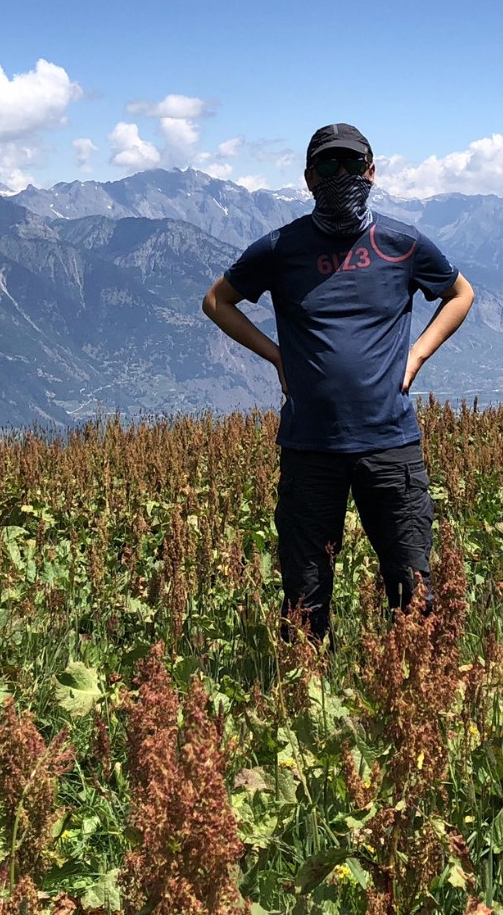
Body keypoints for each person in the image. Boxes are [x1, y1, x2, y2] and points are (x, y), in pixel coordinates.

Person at [201, 122, 475, 642]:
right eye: (329, 166)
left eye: (352, 164)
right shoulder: (282, 247)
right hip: (311, 445)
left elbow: (460, 293)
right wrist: (277, 358)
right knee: (304, 596)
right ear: (308, 178)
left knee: (412, 583)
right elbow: (216, 301)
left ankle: (418, 698)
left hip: (390, 441)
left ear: (372, 172)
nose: (341, 175)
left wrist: (416, 355)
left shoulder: (402, 242)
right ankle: (307, 704)